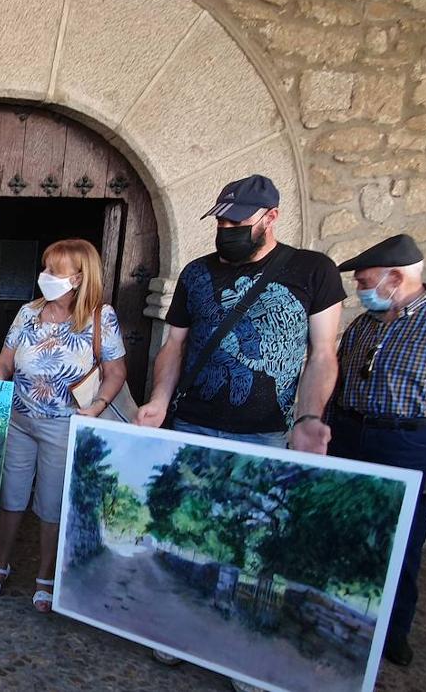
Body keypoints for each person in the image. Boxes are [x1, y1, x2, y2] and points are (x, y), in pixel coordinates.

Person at [134, 174, 344, 690]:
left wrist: (310, 419)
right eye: (221, 221)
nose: (225, 230)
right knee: (191, 527)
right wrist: (159, 400)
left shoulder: (313, 271)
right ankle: (182, 629)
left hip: (266, 432)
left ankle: (240, 646)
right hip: (195, 422)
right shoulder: (196, 273)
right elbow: (174, 345)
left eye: (236, 222)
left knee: (254, 540)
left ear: (270, 217)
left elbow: (322, 355)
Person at [325, 234, 426, 667]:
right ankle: (342, 620)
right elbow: (339, 381)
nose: (360, 290)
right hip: (352, 435)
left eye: (365, 281)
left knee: (402, 542)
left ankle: (392, 635)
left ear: (395, 278)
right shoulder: (366, 324)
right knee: (349, 532)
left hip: (410, 443)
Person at [0, 239, 126, 611]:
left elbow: (115, 372)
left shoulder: (100, 318)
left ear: (78, 278)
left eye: (53, 272)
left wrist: (97, 407)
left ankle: (46, 576)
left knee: (51, 502)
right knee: (10, 496)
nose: (44, 277)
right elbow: (5, 359)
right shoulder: (28, 312)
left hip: (65, 426)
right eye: (44, 269)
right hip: (19, 419)